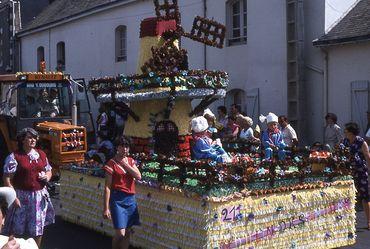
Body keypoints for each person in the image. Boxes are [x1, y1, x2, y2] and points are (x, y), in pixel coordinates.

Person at [2, 128, 55, 248]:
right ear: (22, 140)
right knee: (16, 228)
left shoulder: (41, 154)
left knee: (37, 229)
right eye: (30, 137)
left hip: (39, 197)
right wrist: (14, 198)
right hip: (21, 196)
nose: (33, 140)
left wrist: (47, 177)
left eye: (35, 137)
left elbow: (49, 170)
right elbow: (7, 179)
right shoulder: (14, 156)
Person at [103, 137, 141, 249]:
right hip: (117, 199)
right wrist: (106, 208)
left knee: (128, 231)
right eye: (122, 146)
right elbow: (107, 187)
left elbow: (138, 176)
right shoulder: (111, 163)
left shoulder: (130, 161)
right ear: (117, 148)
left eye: (127, 146)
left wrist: (125, 165)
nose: (125, 149)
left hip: (130, 199)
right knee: (121, 233)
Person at [342, 122, 370, 229]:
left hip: (361, 171)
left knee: (365, 196)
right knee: (348, 196)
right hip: (348, 172)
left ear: (351, 132)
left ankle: (369, 221)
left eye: (346, 131)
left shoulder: (361, 142)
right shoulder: (344, 141)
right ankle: (348, 222)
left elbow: (367, 157)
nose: (345, 133)